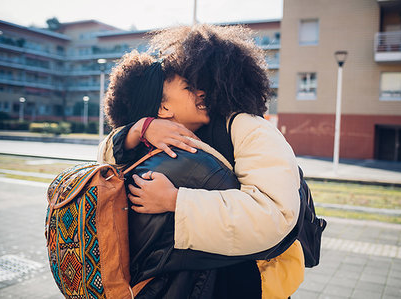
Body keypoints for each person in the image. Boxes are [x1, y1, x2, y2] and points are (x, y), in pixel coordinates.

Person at [99, 25, 304, 299]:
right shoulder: (157, 138)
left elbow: (273, 215)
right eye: (189, 87)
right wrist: (137, 130)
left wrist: (175, 200)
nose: (202, 93)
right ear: (163, 108)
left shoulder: (247, 128)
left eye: (201, 84)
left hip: (252, 282)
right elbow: (102, 168)